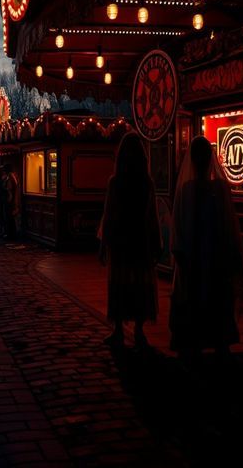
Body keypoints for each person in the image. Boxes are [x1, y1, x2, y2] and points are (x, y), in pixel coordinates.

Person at [169, 135, 243, 363]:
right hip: (212, 256)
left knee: (195, 298)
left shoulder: (187, 189)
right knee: (215, 298)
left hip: (198, 256)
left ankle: (194, 343)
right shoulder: (218, 188)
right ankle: (218, 342)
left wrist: (180, 253)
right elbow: (229, 224)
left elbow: (178, 226)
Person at [98, 132, 161, 349]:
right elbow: (152, 216)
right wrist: (156, 243)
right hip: (140, 240)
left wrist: (103, 244)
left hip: (120, 241)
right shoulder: (146, 183)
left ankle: (117, 330)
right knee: (141, 284)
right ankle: (139, 330)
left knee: (119, 284)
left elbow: (109, 214)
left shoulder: (116, 182)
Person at [2, 163, 19, 240]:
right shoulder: (11, 176)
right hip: (11, 200)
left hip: (10, 200)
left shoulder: (10, 177)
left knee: (9, 217)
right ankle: (11, 233)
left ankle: (10, 234)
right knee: (10, 218)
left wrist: (9, 200)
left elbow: (9, 190)